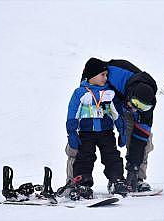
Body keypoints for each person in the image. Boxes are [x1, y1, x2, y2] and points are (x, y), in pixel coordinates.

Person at [81, 58, 157, 192]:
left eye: (142, 107)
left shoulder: (145, 107)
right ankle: (74, 181)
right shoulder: (114, 75)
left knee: (144, 141)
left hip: (123, 106)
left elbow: (141, 137)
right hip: (102, 103)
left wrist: (134, 166)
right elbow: (91, 79)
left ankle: (136, 179)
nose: (137, 108)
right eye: (136, 104)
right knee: (83, 138)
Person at [65, 58, 128, 198]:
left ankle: (116, 180)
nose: (105, 78)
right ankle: (83, 183)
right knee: (85, 157)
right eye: (102, 75)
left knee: (112, 156)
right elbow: (72, 113)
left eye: (106, 75)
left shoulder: (109, 93)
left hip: (106, 133)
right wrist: (72, 133)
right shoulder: (80, 93)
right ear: (92, 75)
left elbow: (116, 113)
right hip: (86, 133)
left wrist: (121, 130)